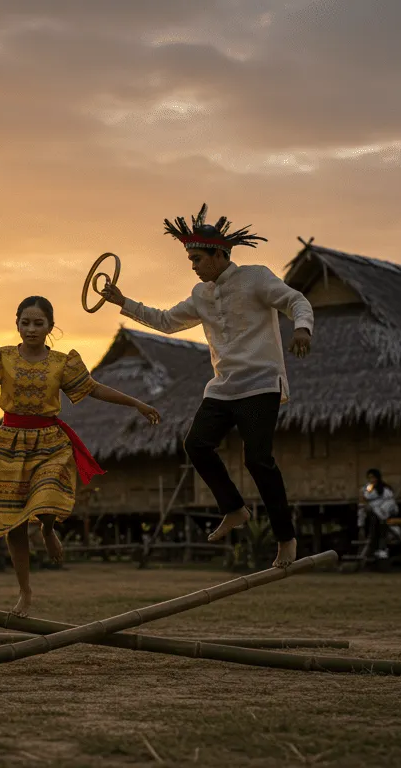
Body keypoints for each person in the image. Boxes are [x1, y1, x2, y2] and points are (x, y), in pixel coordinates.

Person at [0, 296, 161, 616]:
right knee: (13, 525)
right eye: (25, 323)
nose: (31, 329)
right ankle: (25, 592)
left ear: (50, 327)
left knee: (47, 494)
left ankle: (46, 528)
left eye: (38, 323)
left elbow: (94, 388)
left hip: (48, 441)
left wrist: (136, 403)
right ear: (16, 324)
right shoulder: (2, 357)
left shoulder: (61, 363)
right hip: (9, 444)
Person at [97, 204, 313, 569]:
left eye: (197, 258)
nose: (193, 265)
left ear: (220, 254)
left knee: (258, 460)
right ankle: (233, 508)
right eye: (190, 259)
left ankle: (286, 539)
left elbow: (295, 300)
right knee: (195, 445)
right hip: (223, 387)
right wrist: (124, 302)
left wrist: (303, 327)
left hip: (261, 382)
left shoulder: (257, 278)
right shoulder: (200, 295)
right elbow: (166, 321)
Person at [357, 469, 400, 561]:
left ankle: (382, 548)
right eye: (369, 478)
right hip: (373, 515)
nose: (372, 479)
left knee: (381, 526)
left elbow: (390, 503)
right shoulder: (368, 488)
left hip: (384, 513)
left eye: (373, 477)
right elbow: (364, 498)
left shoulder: (385, 489)